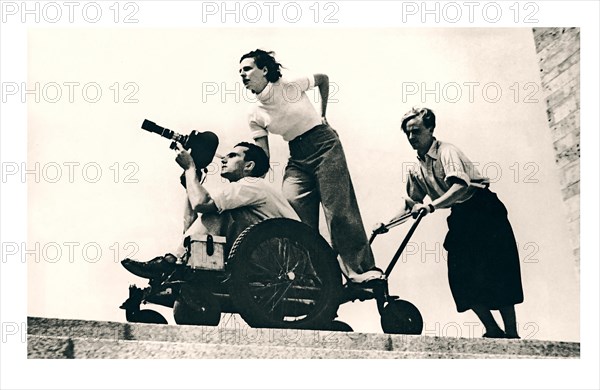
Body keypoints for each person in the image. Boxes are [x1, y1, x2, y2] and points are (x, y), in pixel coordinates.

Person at [238, 49, 382, 284]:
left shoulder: (290, 86)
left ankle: (358, 271)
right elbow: (264, 156)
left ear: (264, 70)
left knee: (338, 211)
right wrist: (244, 172)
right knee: (291, 215)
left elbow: (323, 79)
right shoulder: (254, 114)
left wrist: (324, 115)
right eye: (240, 71)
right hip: (297, 156)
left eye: (247, 68)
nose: (242, 74)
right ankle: (309, 277)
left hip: (324, 145)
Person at [380, 107, 524, 339]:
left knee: (497, 270)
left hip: (484, 210)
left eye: (416, 131)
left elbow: (461, 186)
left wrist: (432, 205)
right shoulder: (416, 169)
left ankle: (512, 333)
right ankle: (493, 330)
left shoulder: (447, 152)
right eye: (407, 133)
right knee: (460, 274)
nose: (411, 138)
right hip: (461, 215)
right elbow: (411, 203)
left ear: (430, 129)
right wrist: (386, 224)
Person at [122, 141, 299, 278]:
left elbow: (202, 204)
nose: (223, 159)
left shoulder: (253, 184)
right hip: (271, 253)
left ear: (249, 166)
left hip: (283, 260)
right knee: (213, 218)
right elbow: (191, 230)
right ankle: (176, 262)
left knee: (217, 212)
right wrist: (190, 184)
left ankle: (172, 262)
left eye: (232, 156)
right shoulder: (248, 192)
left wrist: (190, 168)